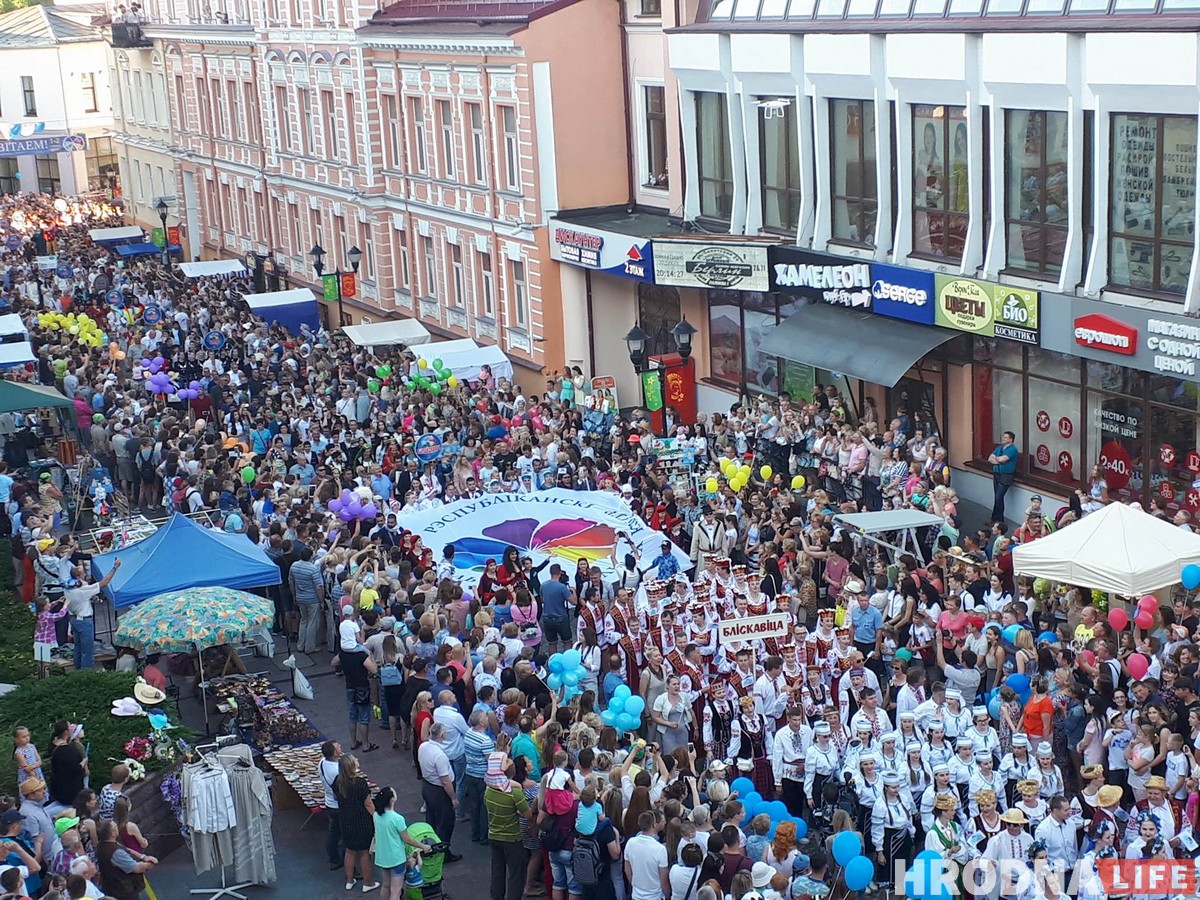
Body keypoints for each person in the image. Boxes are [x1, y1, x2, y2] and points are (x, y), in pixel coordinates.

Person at [485, 752, 531, 900]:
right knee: (516, 875)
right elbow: (527, 814)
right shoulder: (514, 793)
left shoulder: (489, 789)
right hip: (512, 838)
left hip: (493, 835)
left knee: (497, 872)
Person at [372, 786, 432, 900]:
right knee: (396, 890)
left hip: (382, 856)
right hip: (396, 858)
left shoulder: (376, 815)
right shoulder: (397, 819)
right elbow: (407, 839)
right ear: (392, 799)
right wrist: (423, 846)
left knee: (386, 885)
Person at [336, 753, 380, 892]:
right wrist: (378, 818)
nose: (357, 760)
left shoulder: (338, 782)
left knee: (350, 851)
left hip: (346, 821)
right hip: (361, 822)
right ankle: (368, 883)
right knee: (364, 853)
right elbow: (368, 804)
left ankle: (349, 880)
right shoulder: (360, 783)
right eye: (355, 759)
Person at [419, 722, 462, 861]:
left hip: (427, 787)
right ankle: (443, 854)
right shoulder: (439, 755)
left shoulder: (423, 746)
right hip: (439, 792)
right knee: (445, 823)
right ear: (442, 735)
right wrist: (453, 798)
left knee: (432, 820)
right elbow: (445, 780)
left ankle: (430, 847)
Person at [95, 820, 155, 900]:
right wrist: (150, 864)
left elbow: (127, 849)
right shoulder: (115, 852)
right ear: (112, 833)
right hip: (123, 891)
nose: (117, 828)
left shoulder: (102, 846)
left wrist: (142, 857)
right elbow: (136, 868)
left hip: (112, 888)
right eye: (115, 827)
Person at [625, 810, 669, 900]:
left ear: (639, 824)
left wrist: (635, 885)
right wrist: (668, 896)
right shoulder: (660, 849)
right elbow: (664, 879)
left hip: (636, 895)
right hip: (655, 896)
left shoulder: (630, 843)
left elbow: (627, 870)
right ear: (654, 824)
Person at [986, 431, 1018, 524]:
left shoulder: (1012, 449)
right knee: (997, 497)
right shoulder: (999, 448)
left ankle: (999, 520)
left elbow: (1003, 459)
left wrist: (997, 459)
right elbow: (990, 458)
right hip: (997, 474)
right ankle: (995, 519)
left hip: (1006, 475)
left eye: (1005, 437)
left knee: (999, 497)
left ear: (1011, 439)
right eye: (1003, 437)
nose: (1003, 439)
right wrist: (998, 460)